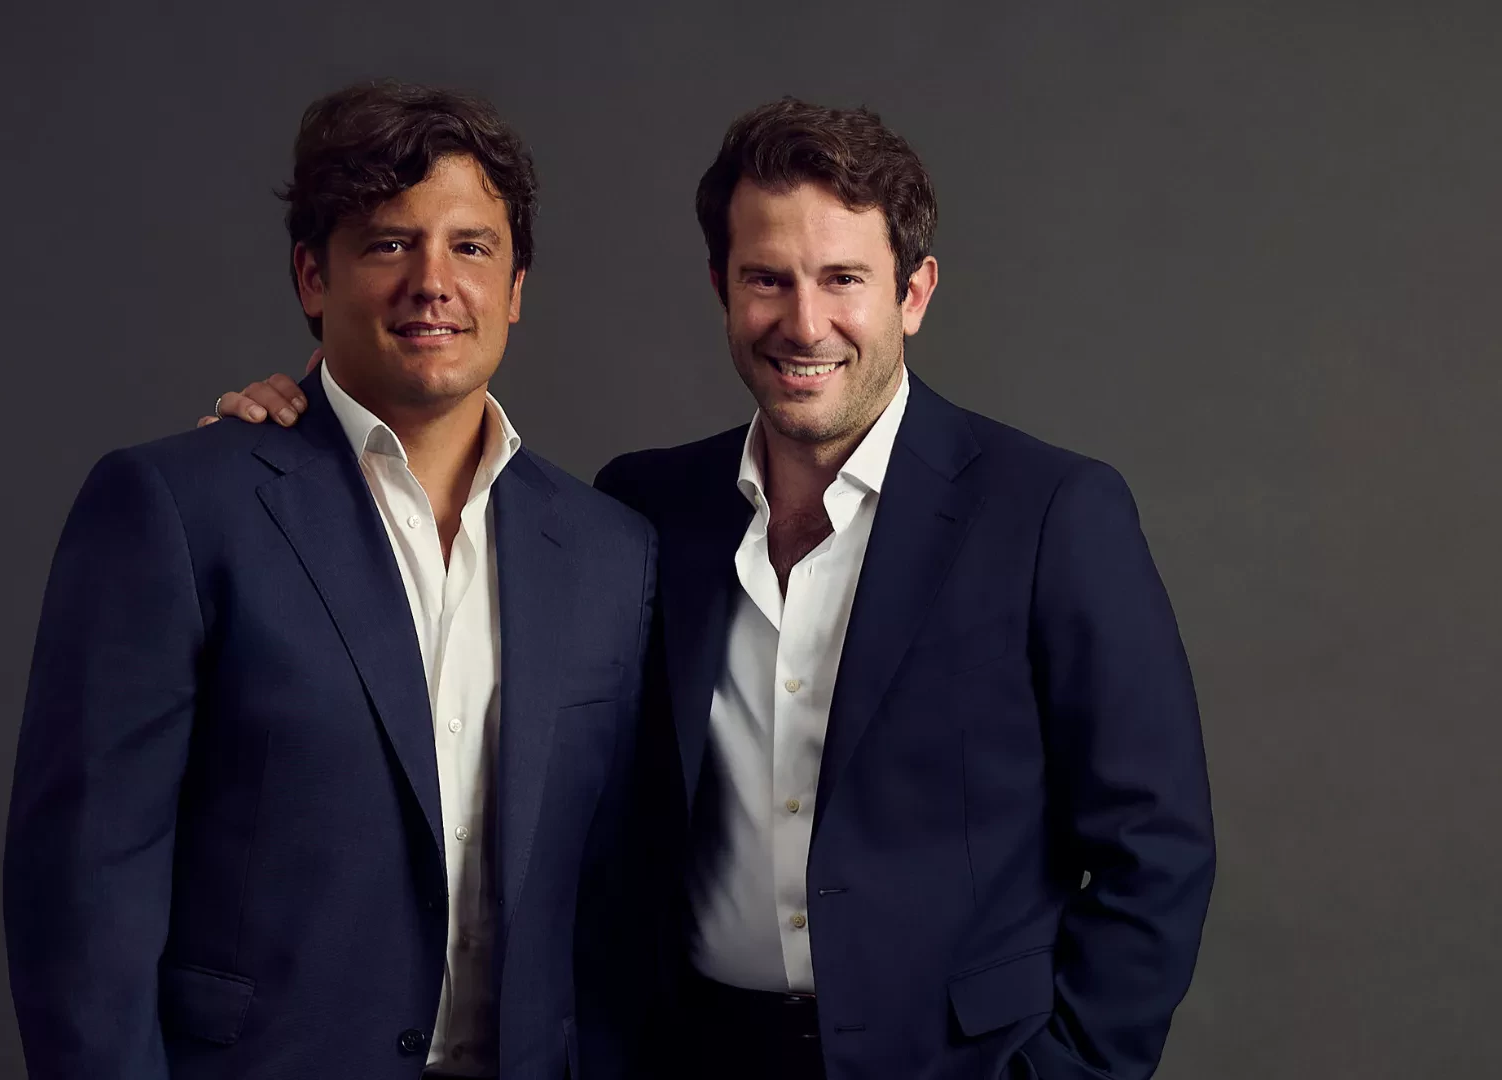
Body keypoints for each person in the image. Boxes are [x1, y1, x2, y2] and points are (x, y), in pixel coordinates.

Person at [213, 97, 1215, 1080]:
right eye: (767, 279)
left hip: (959, 1058)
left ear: (913, 294)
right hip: (691, 1053)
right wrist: (310, 415)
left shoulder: (1047, 513)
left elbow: (1155, 844)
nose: (804, 321)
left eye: (844, 279)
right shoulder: (643, 513)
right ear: (722, 287)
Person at [6, 81, 657, 1080]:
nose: (434, 283)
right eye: (389, 243)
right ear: (313, 276)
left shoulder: (611, 551)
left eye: (472, 247)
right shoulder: (179, 508)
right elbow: (82, 896)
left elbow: (617, 905)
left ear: (517, 288)